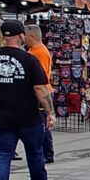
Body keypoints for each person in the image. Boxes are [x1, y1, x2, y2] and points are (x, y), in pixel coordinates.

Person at [0, 20, 59, 180]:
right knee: (34, 152)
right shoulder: (29, 59)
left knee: (2, 154)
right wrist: (50, 112)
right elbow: (40, 88)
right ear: (21, 36)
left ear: (3, 36)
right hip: (28, 116)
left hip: (3, 115)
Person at [23, 25, 55, 164]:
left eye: (25, 35)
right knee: (39, 123)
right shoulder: (33, 51)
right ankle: (44, 152)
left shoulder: (39, 52)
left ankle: (47, 154)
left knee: (43, 124)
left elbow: (41, 77)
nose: (23, 38)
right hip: (40, 92)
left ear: (32, 36)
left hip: (42, 92)